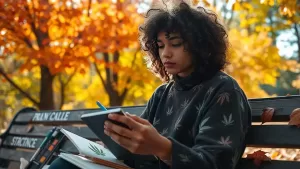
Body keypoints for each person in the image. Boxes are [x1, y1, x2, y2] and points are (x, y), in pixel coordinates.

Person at [48, 1, 251, 169]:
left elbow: (216, 163)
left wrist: (164, 148)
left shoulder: (223, 90)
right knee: (64, 164)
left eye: (175, 44)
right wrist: (113, 145)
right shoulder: (163, 93)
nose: (165, 53)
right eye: (160, 46)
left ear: (201, 44)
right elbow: (138, 150)